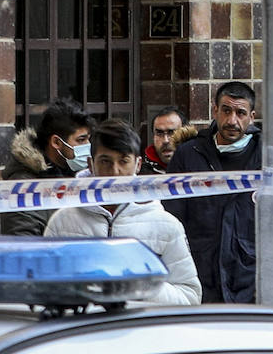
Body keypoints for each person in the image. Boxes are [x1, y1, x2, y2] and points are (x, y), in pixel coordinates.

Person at [44, 119, 200, 306]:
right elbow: (44, 290)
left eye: (124, 161)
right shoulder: (63, 222)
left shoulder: (166, 225)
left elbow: (189, 297)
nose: (114, 172)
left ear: (138, 164)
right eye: (105, 161)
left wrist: (142, 285)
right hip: (83, 332)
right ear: (91, 164)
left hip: (141, 332)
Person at [165, 81, 261, 303]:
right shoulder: (189, 155)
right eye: (226, 111)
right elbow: (171, 218)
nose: (232, 121)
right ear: (215, 110)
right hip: (199, 273)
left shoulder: (266, 157)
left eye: (240, 113)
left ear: (252, 116)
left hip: (250, 277)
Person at [0, 99, 96, 236]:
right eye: (81, 140)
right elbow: (22, 241)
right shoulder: (24, 186)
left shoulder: (82, 175)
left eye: (88, 139)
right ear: (56, 142)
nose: (88, 146)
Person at [142, 107, 197, 175]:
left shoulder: (200, 167)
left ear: (185, 134)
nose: (165, 140)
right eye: (159, 133)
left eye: (172, 132)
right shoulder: (141, 176)